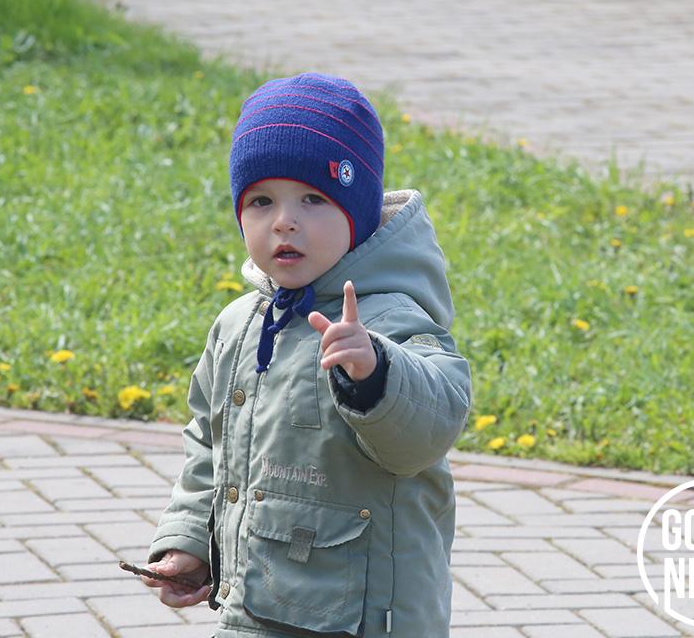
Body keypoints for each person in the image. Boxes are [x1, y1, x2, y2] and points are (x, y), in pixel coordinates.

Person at [140, 71, 472, 638]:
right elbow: (210, 444)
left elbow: (434, 424)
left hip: (364, 618)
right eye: (261, 201)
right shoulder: (240, 325)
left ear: (356, 213)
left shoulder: (387, 318)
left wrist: (375, 372)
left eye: (314, 199)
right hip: (255, 610)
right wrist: (191, 541)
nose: (284, 221)